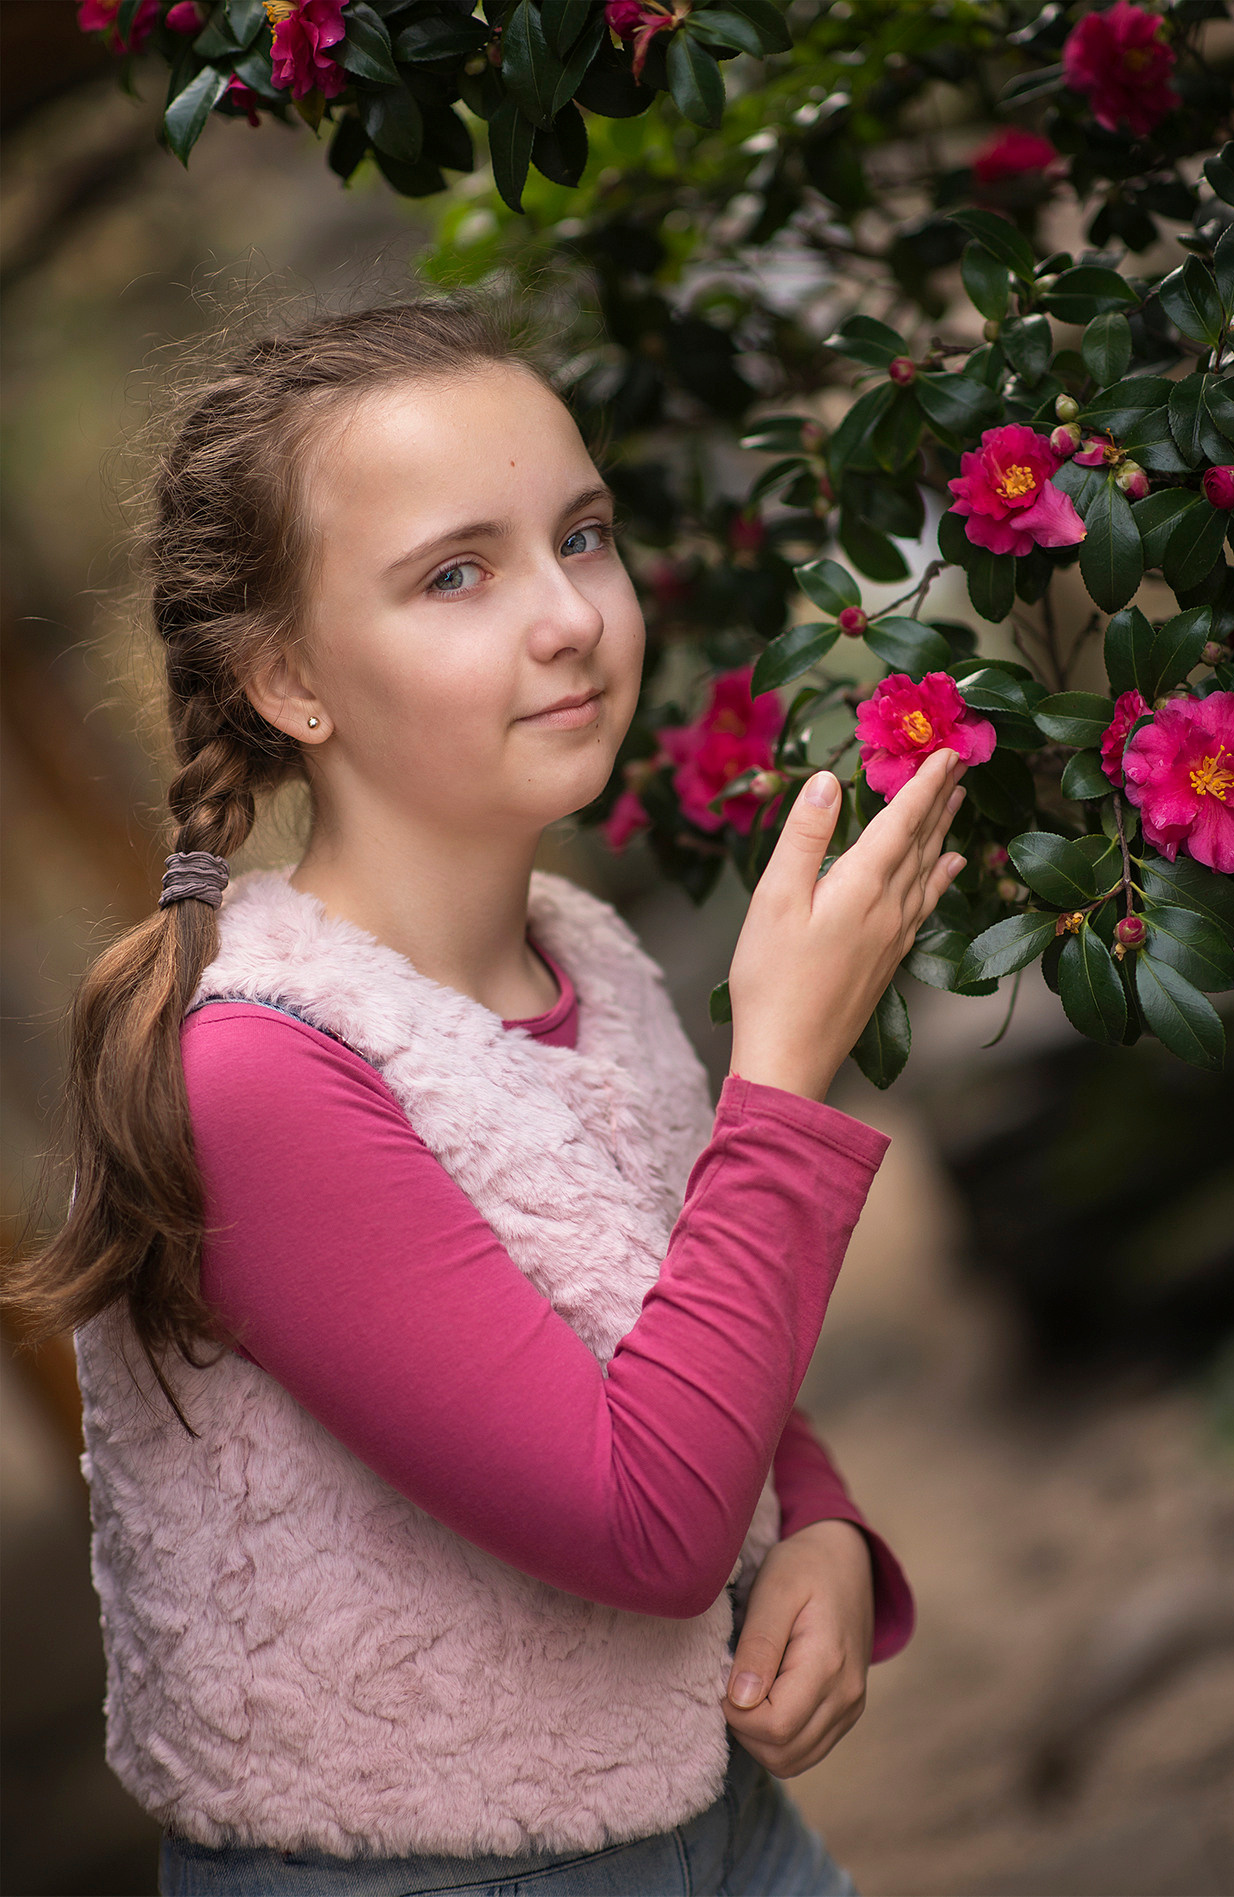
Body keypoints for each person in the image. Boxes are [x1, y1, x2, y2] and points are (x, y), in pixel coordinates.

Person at [0, 293, 973, 1894]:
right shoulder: (256, 1073)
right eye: (457, 573)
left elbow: (668, 1324)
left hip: (724, 1825)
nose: (570, 616)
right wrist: (783, 1076)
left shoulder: (580, 956)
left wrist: (818, 1516)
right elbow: (643, 1527)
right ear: (289, 679)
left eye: (580, 538)